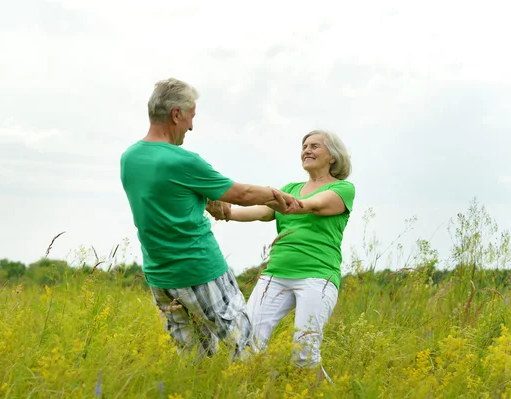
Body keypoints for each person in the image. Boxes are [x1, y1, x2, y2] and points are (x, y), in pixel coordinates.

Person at [119, 78, 304, 362]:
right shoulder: (182, 161)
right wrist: (276, 195)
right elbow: (241, 194)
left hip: (160, 276)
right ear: (176, 114)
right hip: (199, 270)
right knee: (245, 350)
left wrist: (204, 197)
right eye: (191, 117)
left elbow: (166, 196)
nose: (191, 127)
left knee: (195, 361)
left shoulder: (129, 158)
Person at [212, 130, 355, 381]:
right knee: (247, 342)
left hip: (317, 277)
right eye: (304, 146)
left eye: (315, 146)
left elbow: (311, 205)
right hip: (275, 275)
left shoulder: (342, 189)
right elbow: (260, 211)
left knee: (303, 356)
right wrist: (227, 211)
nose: (307, 150)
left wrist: (278, 199)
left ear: (332, 156)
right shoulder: (290, 188)